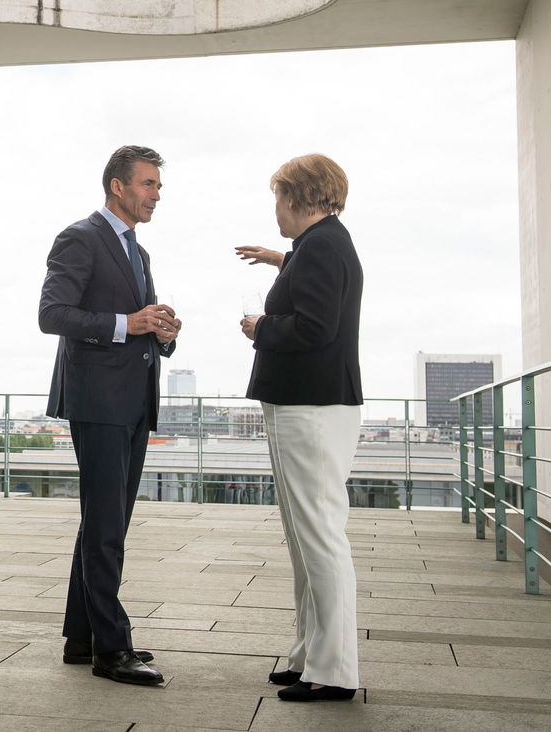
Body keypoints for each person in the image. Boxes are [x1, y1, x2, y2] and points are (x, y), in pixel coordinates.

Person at [39, 144, 181, 686]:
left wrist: (160, 331)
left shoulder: (137, 252)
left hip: (134, 400)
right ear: (117, 186)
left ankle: (83, 637)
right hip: (98, 403)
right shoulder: (80, 237)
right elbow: (52, 315)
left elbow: (139, 322)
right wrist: (128, 322)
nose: (156, 194)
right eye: (148, 184)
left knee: (107, 522)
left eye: (158, 185)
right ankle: (110, 649)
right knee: (105, 528)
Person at [236, 152, 364, 702]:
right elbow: (318, 293)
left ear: (301, 197)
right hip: (310, 405)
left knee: (318, 539)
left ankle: (332, 670)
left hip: (309, 408)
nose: (275, 211)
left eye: (278, 199)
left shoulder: (321, 249)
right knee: (307, 538)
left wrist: (262, 325)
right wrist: (282, 260)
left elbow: (314, 327)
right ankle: (310, 655)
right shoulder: (322, 245)